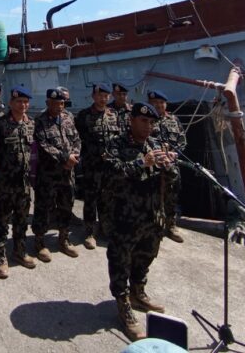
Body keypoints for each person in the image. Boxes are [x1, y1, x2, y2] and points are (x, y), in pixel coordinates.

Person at [101, 102, 173, 341]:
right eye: (143, 121)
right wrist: (142, 163)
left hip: (152, 217)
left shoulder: (154, 144)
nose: (148, 126)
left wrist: (169, 166)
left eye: (152, 123)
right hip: (125, 217)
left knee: (146, 256)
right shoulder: (115, 145)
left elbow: (172, 182)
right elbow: (112, 175)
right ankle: (123, 305)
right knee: (121, 261)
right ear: (131, 120)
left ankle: (138, 292)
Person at [0, 85, 37, 279]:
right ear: (11, 103)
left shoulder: (31, 124)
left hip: (24, 183)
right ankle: (1, 256)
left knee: (21, 219)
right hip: (5, 183)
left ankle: (19, 250)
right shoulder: (0, 125)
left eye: (26, 102)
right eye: (19, 102)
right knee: (1, 220)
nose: (23, 105)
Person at [32, 88, 81, 262]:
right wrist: (65, 157)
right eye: (54, 103)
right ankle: (39, 241)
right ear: (47, 103)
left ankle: (63, 238)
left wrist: (74, 155)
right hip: (48, 174)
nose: (58, 107)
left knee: (66, 205)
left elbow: (76, 139)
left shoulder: (68, 118)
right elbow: (43, 144)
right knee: (44, 207)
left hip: (68, 172)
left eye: (61, 103)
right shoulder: (40, 120)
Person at [75, 83, 120, 250]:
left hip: (109, 166)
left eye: (106, 96)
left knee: (108, 198)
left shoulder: (114, 115)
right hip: (92, 165)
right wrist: (95, 153)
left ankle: (105, 228)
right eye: (100, 95)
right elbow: (77, 140)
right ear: (93, 96)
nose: (103, 98)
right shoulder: (84, 115)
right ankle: (89, 232)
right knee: (91, 199)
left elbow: (120, 138)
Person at [148, 90, 186, 244]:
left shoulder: (174, 120)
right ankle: (153, 226)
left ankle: (171, 226)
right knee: (152, 196)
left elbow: (182, 140)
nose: (158, 106)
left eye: (161, 103)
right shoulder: (147, 120)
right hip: (153, 165)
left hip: (171, 165)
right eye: (155, 103)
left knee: (172, 195)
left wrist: (174, 153)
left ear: (165, 104)